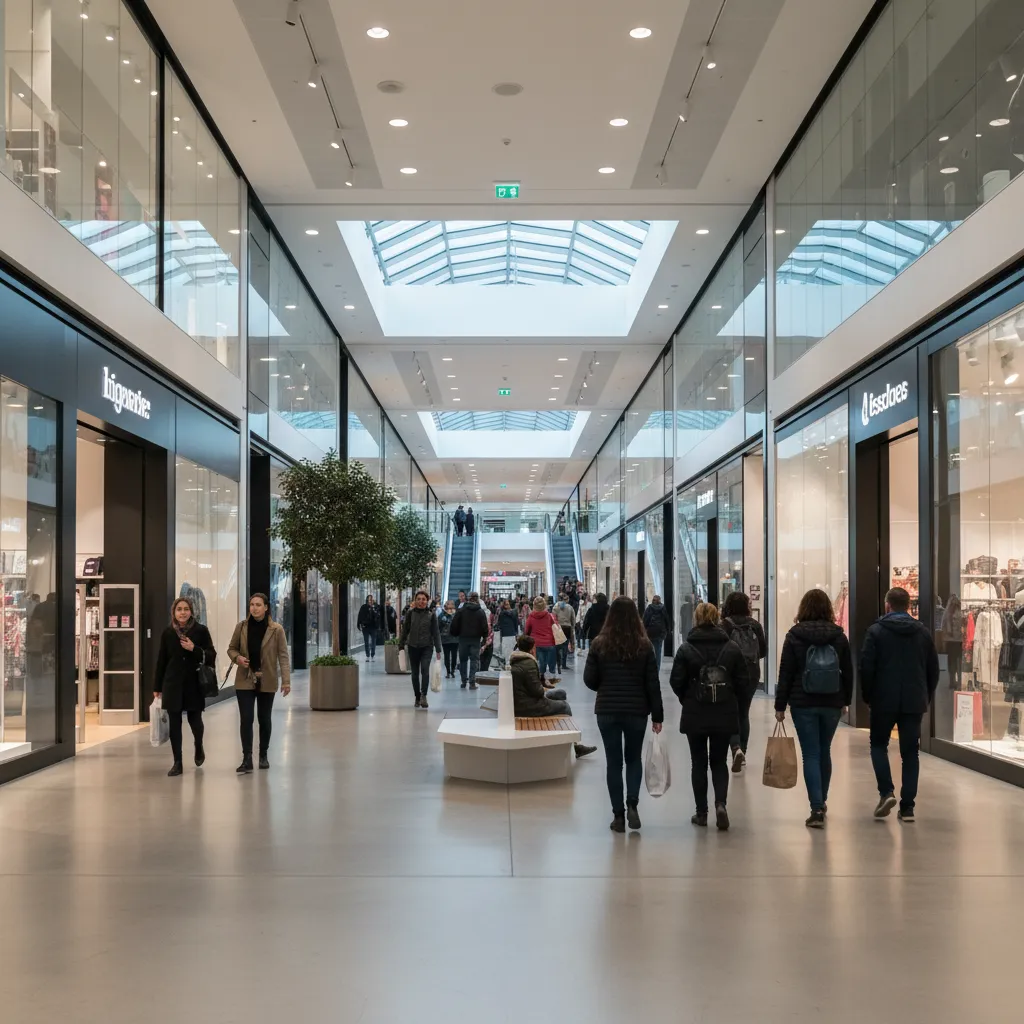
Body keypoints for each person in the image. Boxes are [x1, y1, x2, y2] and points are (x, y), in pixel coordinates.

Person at [774, 588, 853, 827]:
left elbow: (786, 673)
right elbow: (848, 672)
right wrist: (846, 701)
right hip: (832, 701)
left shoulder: (794, 636)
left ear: (803, 608)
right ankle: (822, 800)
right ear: (828, 608)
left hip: (803, 702)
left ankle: (816, 808)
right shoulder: (839, 636)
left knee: (810, 753)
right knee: (824, 750)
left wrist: (780, 705)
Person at [584, 596, 664, 832]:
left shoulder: (599, 643)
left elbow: (589, 679)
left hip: (607, 710)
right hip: (636, 711)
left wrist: (605, 685)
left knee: (613, 762)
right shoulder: (645, 645)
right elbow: (652, 683)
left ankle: (618, 816)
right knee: (633, 759)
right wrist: (657, 716)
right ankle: (632, 804)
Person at [860, 586, 939, 823]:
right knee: (910, 752)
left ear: (887, 605)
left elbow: (866, 668)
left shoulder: (875, 631)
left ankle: (886, 792)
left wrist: (868, 696)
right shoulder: (923, 633)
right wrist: (925, 695)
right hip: (914, 700)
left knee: (878, 745)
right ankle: (908, 808)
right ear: (908, 606)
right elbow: (933, 670)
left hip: (883, 699)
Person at [670, 602, 747, 831]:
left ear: (696, 619)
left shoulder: (686, 649)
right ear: (717, 618)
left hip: (696, 713)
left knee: (698, 762)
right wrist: (730, 697)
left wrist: (688, 698)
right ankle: (721, 804)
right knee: (719, 762)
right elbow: (743, 681)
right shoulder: (731, 648)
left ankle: (701, 813)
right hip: (724, 712)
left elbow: (676, 681)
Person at [228, 593, 291, 774]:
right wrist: (237, 658)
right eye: (252, 605)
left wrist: (286, 681)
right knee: (246, 719)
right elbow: (231, 649)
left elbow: (283, 656)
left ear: (266, 607)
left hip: (267, 679)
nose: (254, 608)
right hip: (244, 679)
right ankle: (247, 758)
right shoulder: (241, 627)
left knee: (264, 719)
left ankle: (263, 755)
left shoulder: (276, 630)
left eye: (258, 605)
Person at [154, 597, 215, 777]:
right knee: (175, 724)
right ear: (174, 612)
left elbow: (211, 655)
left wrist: (194, 648)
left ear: (191, 611)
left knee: (195, 721)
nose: (182, 612)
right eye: (179, 609)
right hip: (172, 683)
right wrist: (157, 686)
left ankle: (198, 745)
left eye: (186, 609)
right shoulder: (168, 633)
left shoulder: (201, 631)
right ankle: (177, 762)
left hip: (193, 683)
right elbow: (161, 660)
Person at [510, 635, 596, 760]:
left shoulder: (516, 659)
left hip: (524, 699)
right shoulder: (528, 663)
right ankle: (574, 746)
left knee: (560, 693)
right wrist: (543, 687)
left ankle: (568, 738)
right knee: (564, 706)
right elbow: (537, 692)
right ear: (532, 648)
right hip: (529, 705)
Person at [721, 591, 767, 773]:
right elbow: (763, 651)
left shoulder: (725, 625)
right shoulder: (755, 625)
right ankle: (743, 751)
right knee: (744, 712)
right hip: (751, 673)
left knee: (731, 712)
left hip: (730, 673)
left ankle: (735, 748)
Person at [399, 590, 442, 709]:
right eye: (418, 599)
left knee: (425, 670)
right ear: (415, 600)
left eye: (423, 599)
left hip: (427, 647)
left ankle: (424, 695)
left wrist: (438, 649)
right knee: (414, 673)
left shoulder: (431, 615)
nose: (421, 601)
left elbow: (436, 633)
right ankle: (417, 696)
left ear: (427, 601)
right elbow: (405, 630)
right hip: (413, 646)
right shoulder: (410, 613)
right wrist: (401, 645)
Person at [450, 590, 489, 689]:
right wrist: (485, 637)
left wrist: (455, 633)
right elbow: (484, 626)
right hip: (475, 639)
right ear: (477, 599)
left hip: (463, 639)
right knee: (474, 660)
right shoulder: (480, 612)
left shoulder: (461, 610)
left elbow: (454, 623)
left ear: (468, 599)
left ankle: (463, 681)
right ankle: (472, 682)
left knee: (463, 660)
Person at [525, 595, 560, 685]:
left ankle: (541, 678)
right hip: (550, 642)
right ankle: (551, 678)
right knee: (551, 663)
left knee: (541, 661)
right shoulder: (549, 615)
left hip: (537, 643)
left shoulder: (531, 616)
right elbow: (554, 627)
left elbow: (527, 630)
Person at [940, 594, 964, 689]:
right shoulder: (961, 613)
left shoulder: (947, 613)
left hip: (950, 641)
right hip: (960, 641)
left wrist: (943, 641)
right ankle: (960, 682)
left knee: (951, 662)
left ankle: (952, 681)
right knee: (960, 662)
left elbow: (943, 627)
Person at [642, 594, 672, 666]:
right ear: (659, 601)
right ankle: (657, 668)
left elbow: (645, 620)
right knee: (658, 652)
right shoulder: (663, 608)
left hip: (650, 633)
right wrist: (668, 630)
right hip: (660, 634)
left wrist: (643, 630)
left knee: (649, 651)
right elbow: (667, 620)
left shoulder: (649, 608)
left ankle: (650, 667)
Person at [553, 594, 576, 672]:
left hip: (558, 628)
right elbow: (573, 619)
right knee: (565, 646)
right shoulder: (570, 607)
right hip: (567, 628)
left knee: (557, 646)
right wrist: (572, 627)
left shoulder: (555, 607)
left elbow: (553, 618)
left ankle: (558, 663)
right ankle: (564, 664)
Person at [495, 599, 519, 667]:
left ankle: (508, 664)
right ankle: (512, 664)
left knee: (506, 650)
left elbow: (499, 624)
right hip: (512, 633)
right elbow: (516, 623)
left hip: (505, 634)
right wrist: (516, 633)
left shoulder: (501, 613)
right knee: (512, 649)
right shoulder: (514, 613)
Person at [357, 594, 381, 663]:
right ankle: (367, 655)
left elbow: (378, 617)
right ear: (367, 600)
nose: (370, 601)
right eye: (369, 600)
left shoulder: (376, 607)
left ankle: (372, 655)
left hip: (373, 627)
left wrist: (374, 610)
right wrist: (359, 624)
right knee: (366, 641)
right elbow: (360, 616)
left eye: (372, 600)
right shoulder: (363, 607)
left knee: (373, 642)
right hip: (366, 627)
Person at [439, 600, 459, 678]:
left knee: (448, 656)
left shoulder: (442, 615)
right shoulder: (456, 614)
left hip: (447, 638)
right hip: (453, 639)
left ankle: (449, 671)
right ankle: (451, 671)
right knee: (453, 656)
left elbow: (438, 626)